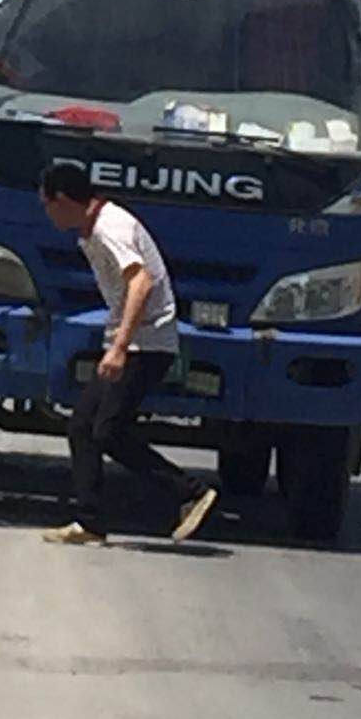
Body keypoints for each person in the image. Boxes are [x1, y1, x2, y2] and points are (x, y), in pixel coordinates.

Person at [38, 163, 218, 545]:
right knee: (83, 426)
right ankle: (89, 523)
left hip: (144, 345)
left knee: (108, 431)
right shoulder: (95, 228)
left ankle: (191, 491)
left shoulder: (110, 228)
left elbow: (141, 282)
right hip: (133, 342)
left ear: (64, 200)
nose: (47, 214)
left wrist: (120, 347)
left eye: (47, 205)